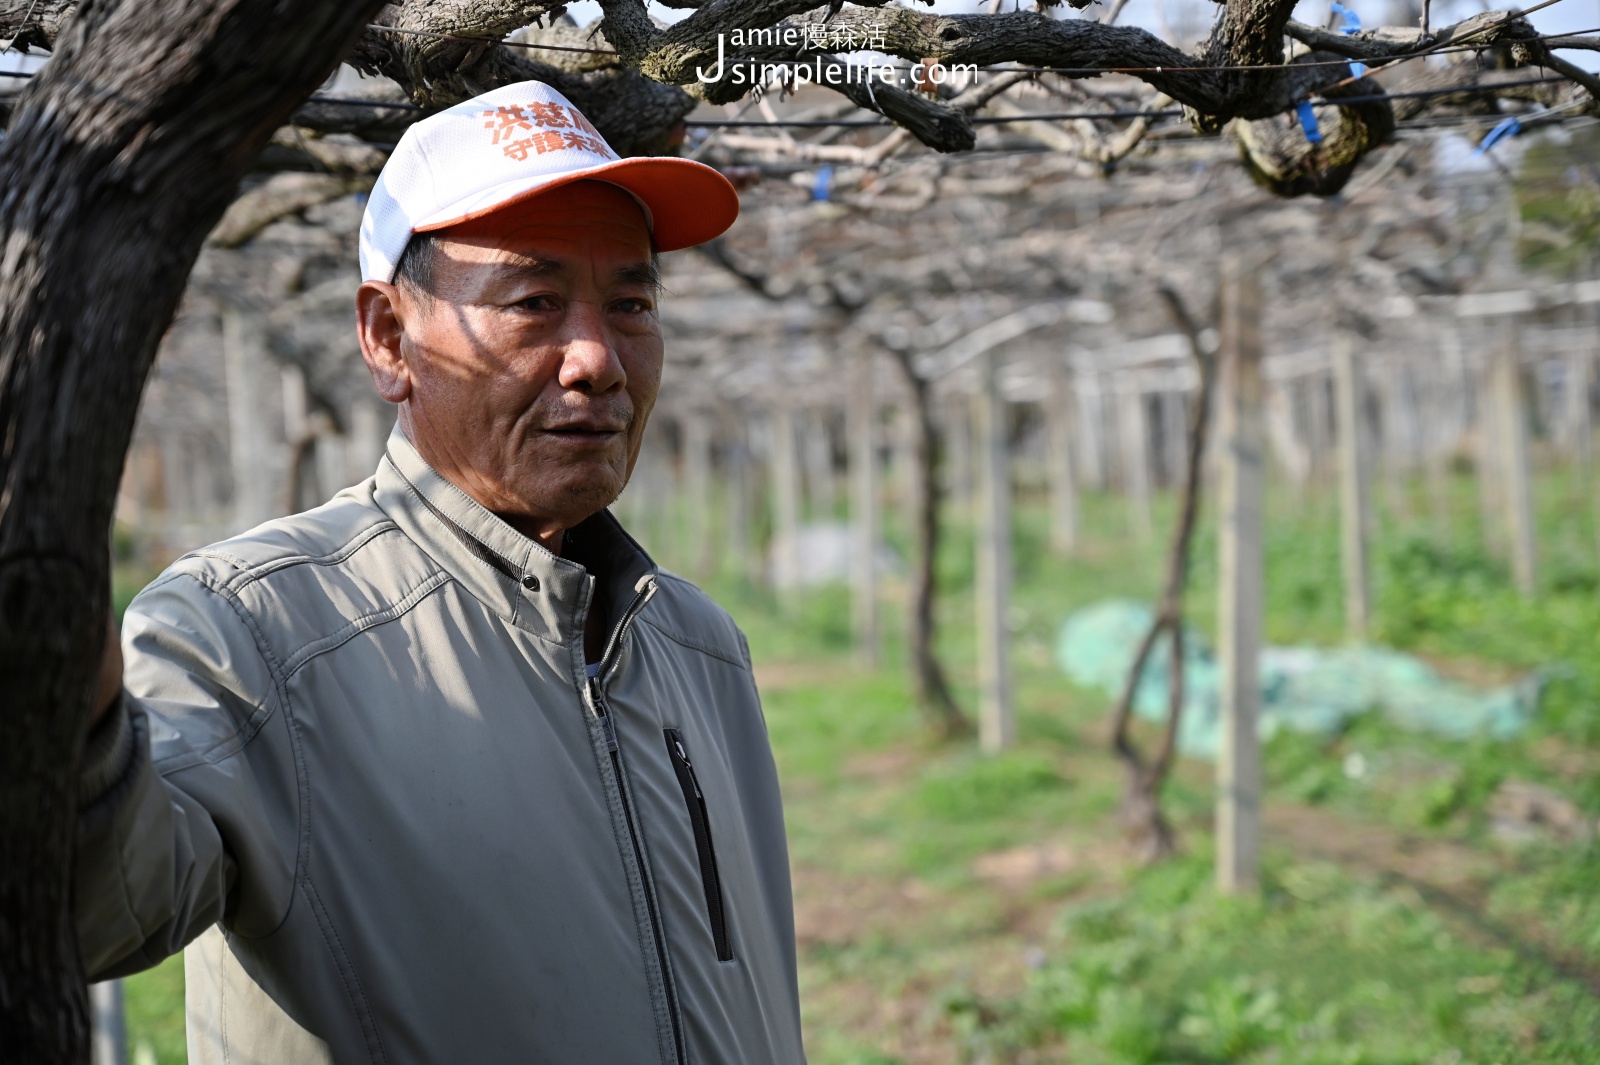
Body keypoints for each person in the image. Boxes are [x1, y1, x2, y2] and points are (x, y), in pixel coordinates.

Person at [77, 81, 805, 1065]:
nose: (597, 358)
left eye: (630, 302)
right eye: (533, 301)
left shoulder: (697, 646)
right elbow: (91, 905)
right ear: (388, 338)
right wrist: (55, 677)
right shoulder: (252, 632)